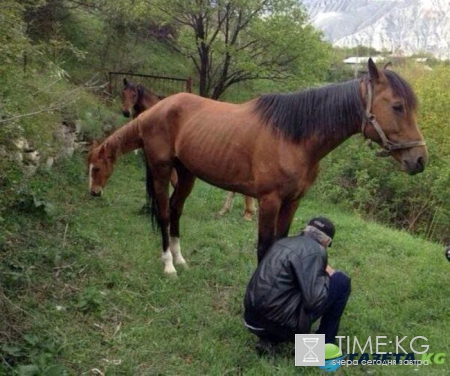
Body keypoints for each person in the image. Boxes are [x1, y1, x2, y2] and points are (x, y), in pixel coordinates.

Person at [243, 217, 351, 356]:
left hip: (252, 319)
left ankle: (269, 341)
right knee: (342, 281)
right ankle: (320, 350)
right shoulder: (317, 251)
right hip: (279, 325)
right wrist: (325, 276)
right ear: (325, 242)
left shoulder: (282, 242)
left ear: (306, 230)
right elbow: (314, 301)